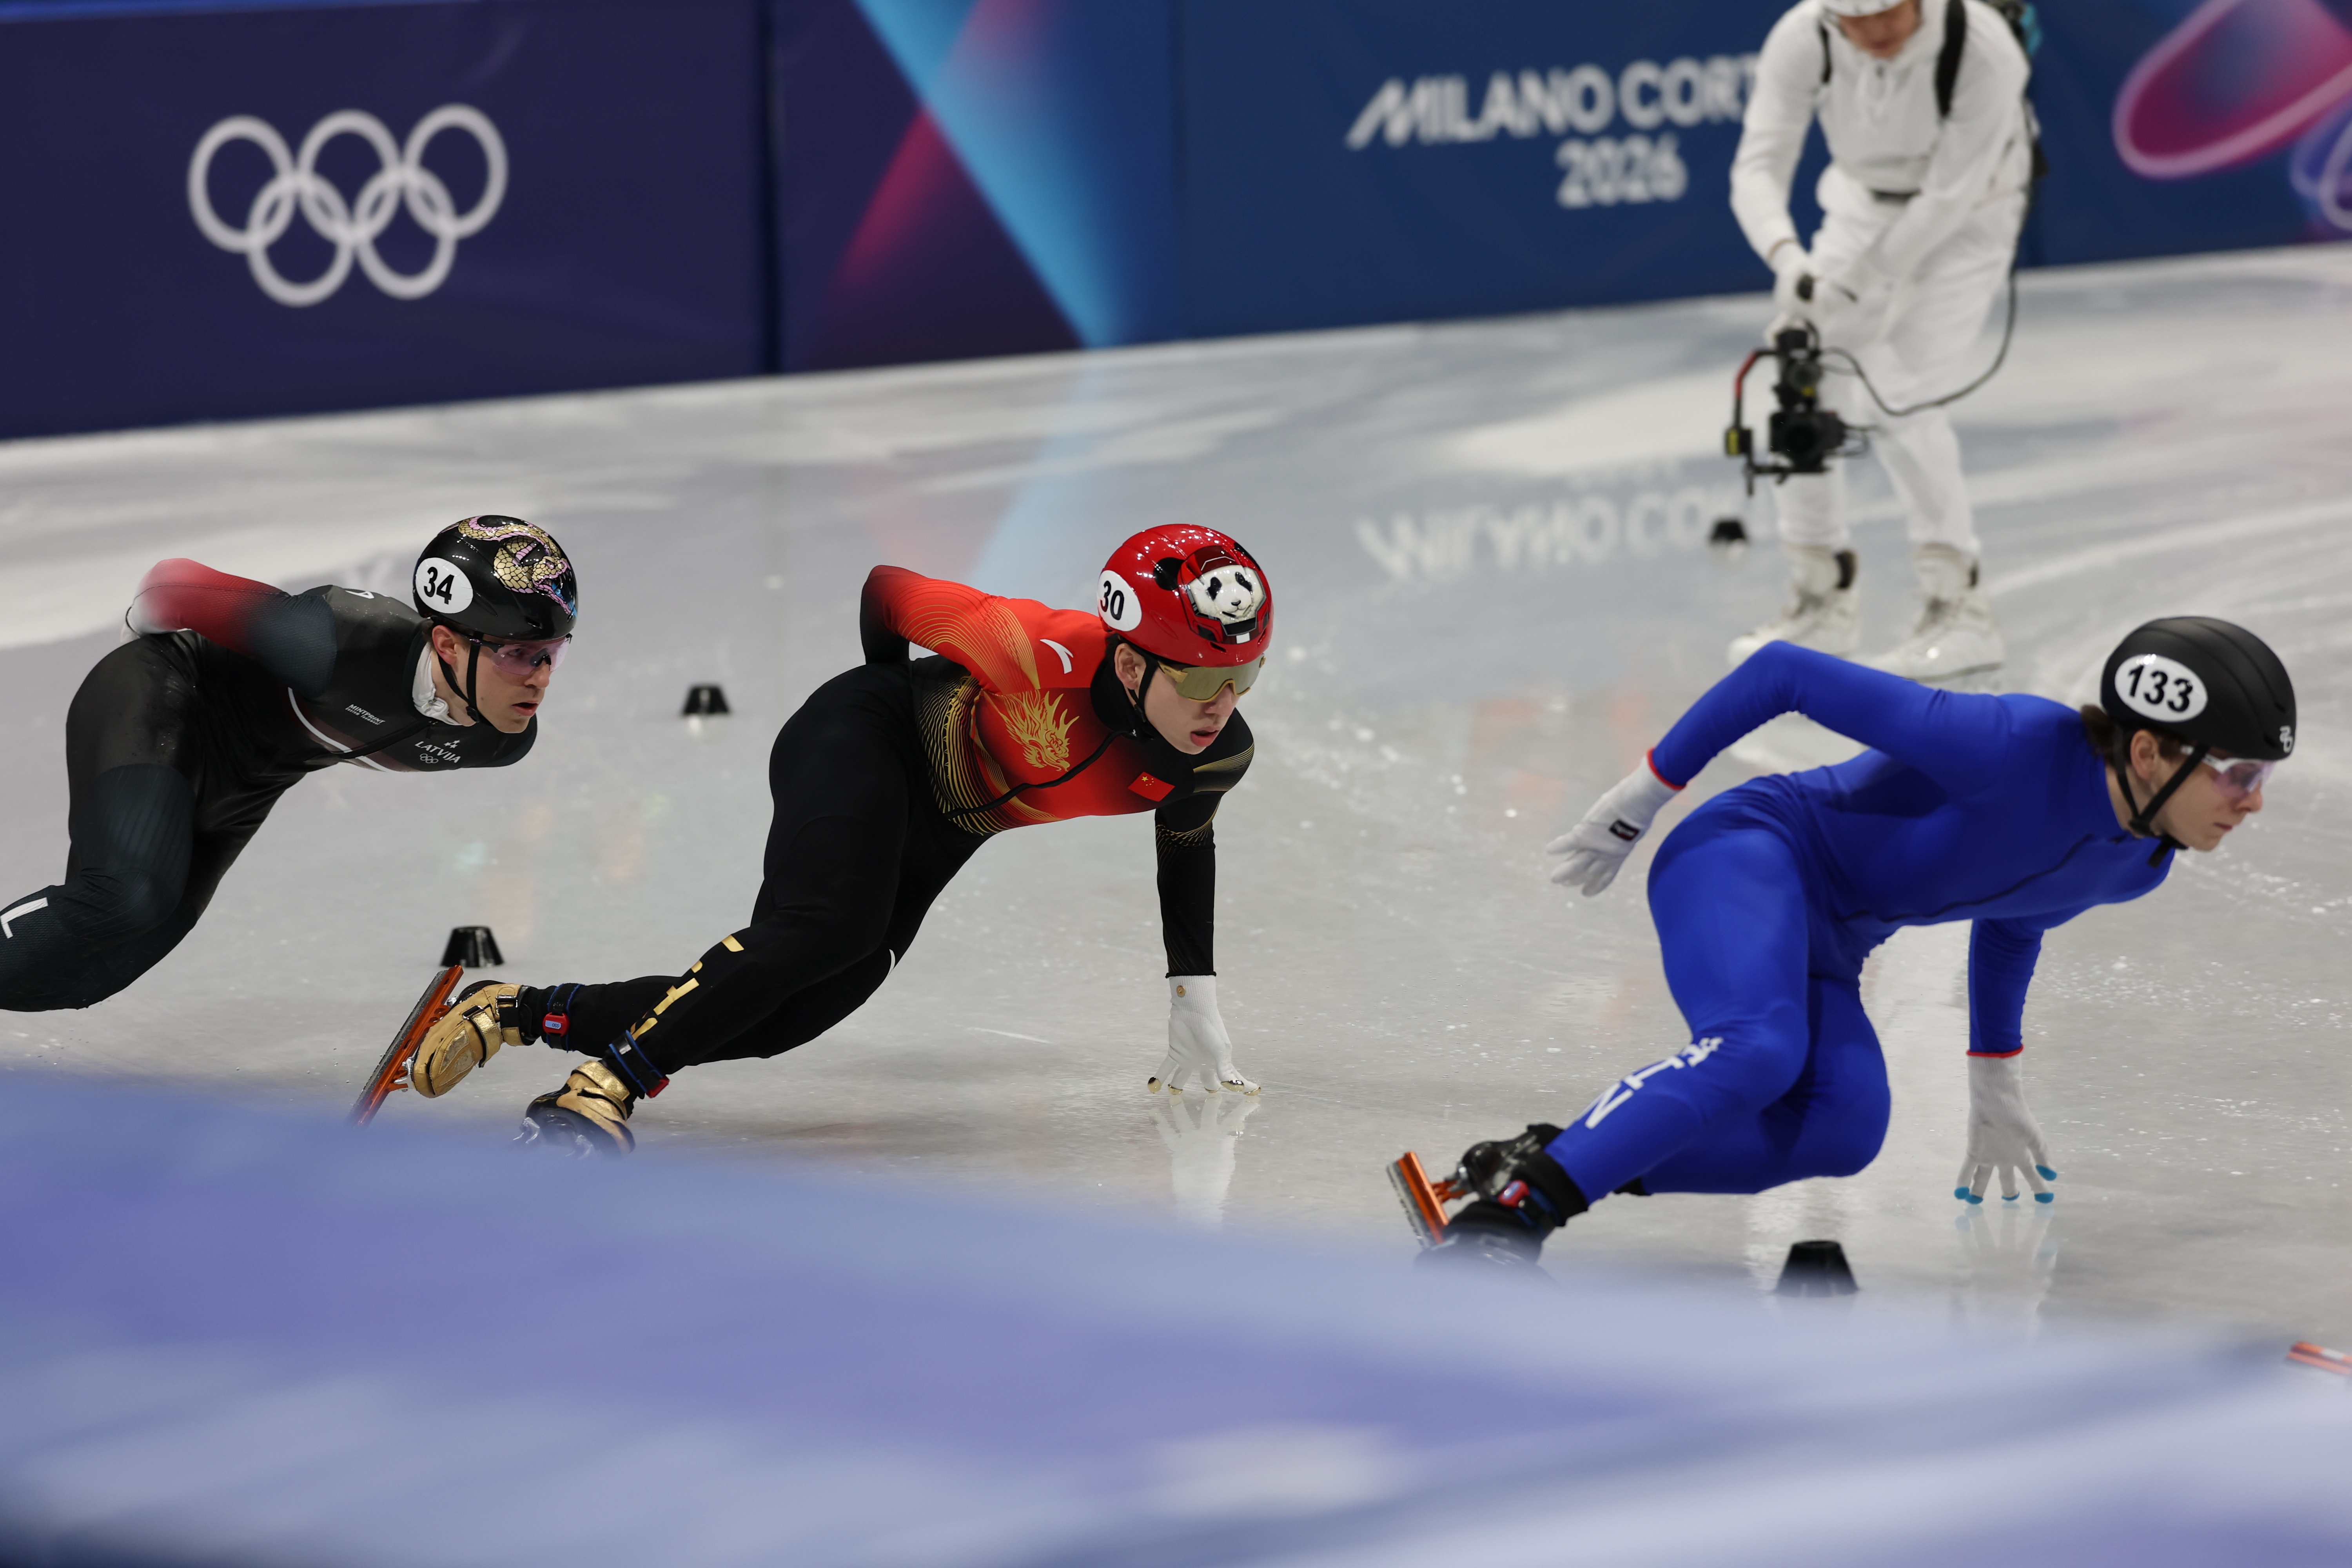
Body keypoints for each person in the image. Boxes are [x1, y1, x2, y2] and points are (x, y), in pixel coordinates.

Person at [1416, 617, 2294, 1270]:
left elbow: (2017, 920)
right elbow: (1784, 672)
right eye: (2240, 772)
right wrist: (1641, 796)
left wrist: (1994, 1079)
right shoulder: (2011, 744)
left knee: (1842, 1129)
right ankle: (1506, 1220)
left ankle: (1551, 1161)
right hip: (1751, 852)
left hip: (1833, 939)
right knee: (1759, 1050)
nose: (2253, 800)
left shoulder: (2138, 864)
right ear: (2147, 751)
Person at [406, 526, 1272, 1155]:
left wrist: (1193, 1004)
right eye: (1203, 680)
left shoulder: (1216, 754)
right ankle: (601, 1091)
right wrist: (890, 700)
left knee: (791, 1013)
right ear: (1131, 663)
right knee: (828, 927)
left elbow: (1186, 842)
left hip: (950, 825)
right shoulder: (1028, 646)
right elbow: (888, 591)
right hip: (868, 737)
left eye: (1243, 676)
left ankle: (516, 1011)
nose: (1222, 705)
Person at [0, 517, 577, 1011]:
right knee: (126, 897)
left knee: (93, 975)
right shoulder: (338, 642)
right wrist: (138, 658)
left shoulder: (499, 742)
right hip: (165, 699)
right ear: (448, 645)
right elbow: (173, 583)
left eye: (553, 653)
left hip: (249, 782)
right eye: (518, 655)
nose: (541, 679)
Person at [1728, 0, 2035, 679]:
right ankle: (1822, 596)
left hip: (1970, 218)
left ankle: (1963, 609)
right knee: (1800, 375)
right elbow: (1757, 166)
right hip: (1860, 207)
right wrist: (1789, 260)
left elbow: (1948, 198)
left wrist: (1861, 282)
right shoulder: (1802, 37)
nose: (1873, 33)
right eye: (1854, 20)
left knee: (1899, 391)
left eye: (1888, 13)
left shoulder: (1983, 50)